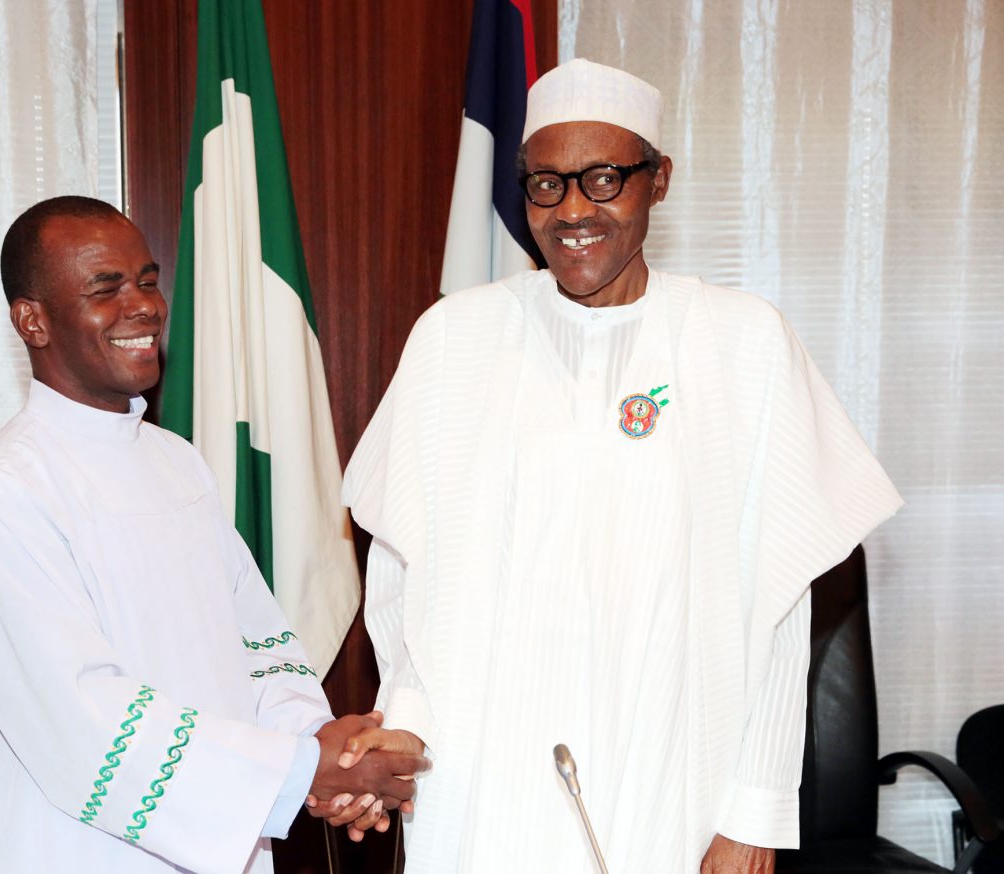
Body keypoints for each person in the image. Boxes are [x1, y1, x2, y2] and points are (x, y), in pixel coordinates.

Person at [337, 60, 903, 872]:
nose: (573, 211)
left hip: (673, 775)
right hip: (484, 778)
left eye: (604, 179)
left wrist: (754, 810)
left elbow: (779, 605)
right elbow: (400, 577)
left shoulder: (742, 343)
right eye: (546, 185)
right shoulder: (454, 339)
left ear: (658, 179)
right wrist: (408, 722)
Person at [0, 196, 424, 873]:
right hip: (72, 852)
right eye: (106, 289)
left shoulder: (177, 461)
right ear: (33, 320)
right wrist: (301, 772)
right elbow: (83, 718)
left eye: (147, 280)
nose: (143, 306)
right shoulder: (4, 497)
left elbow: (251, 640)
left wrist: (314, 735)